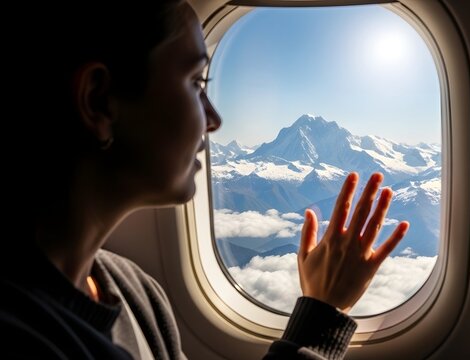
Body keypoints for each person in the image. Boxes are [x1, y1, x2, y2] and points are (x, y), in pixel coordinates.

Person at [1, 0, 409, 359]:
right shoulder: (25, 336)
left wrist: (321, 308)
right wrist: (321, 322)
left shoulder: (135, 293)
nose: (214, 120)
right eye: (197, 83)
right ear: (99, 101)